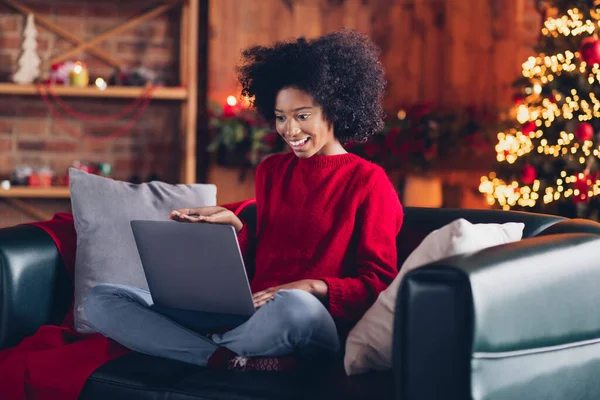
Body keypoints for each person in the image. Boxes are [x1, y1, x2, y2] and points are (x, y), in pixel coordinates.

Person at [83, 29, 404, 372]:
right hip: (249, 317)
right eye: (281, 117)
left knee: (294, 305)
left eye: (302, 115)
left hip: (307, 320)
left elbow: (379, 286)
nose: (290, 131)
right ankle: (220, 357)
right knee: (102, 300)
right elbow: (262, 259)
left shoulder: (369, 182)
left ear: (335, 110)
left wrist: (312, 287)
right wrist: (233, 229)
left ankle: (188, 348)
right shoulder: (272, 171)